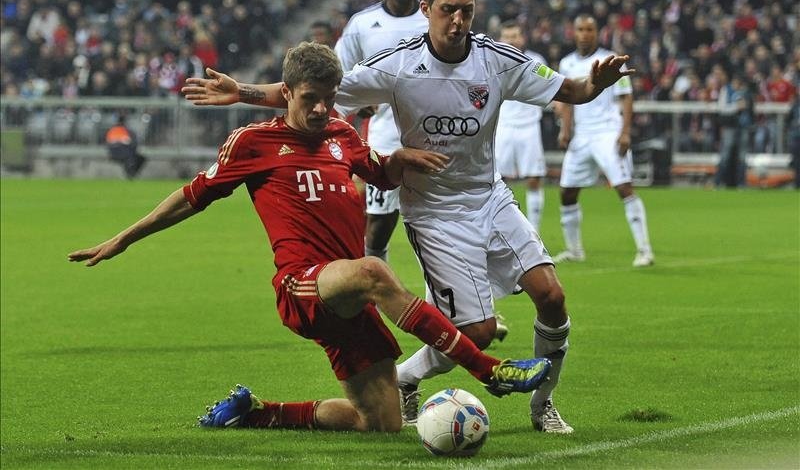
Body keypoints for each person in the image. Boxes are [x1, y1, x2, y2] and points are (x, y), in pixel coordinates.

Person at [182, 0, 635, 434]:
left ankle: (543, 405)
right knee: (476, 333)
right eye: (448, 10)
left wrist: (595, 84)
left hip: (489, 196)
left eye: (467, 10)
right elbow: (318, 92)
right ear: (427, 10)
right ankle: (405, 378)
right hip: (434, 210)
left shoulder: (498, 60)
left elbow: (574, 89)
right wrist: (244, 93)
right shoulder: (397, 64)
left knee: (553, 296)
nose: (458, 21)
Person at [69, 42, 551, 433]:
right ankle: (490, 370)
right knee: (373, 270)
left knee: (378, 425)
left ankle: (256, 412)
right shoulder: (252, 143)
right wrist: (124, 239)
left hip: (348, 300)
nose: (321, 108)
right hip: (303, 286)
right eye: (309, 99)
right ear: (288, 92)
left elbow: (379, 175)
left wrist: (399, 160)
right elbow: (189, 196)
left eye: (329, 97)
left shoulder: (343, 133)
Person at [334, 0, 428, 264]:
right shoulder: (362, 24)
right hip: (385, 139)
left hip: (432, 136)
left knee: (437, 229)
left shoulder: (433, 20)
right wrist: (357, 103)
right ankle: (372, 298)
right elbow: (337, 76)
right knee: (377, 227)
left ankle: (453, 309)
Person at [553, 14, 654, 268]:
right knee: (567, 192)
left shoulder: (611, 59)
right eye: (580, 29)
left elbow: (626, 97)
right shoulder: (567, 63)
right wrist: (566, 129)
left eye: (589, 29)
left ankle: (644, 250)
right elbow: (566, 99)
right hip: (582, 135)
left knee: (623, 187)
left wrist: (625, 132)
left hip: (608, 132)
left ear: (597, 33)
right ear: (573, 32)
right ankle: (574, 250)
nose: (585, 34)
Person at [495, 20, 548, 231]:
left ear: (522, 38)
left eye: (515, 35)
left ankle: (533, 231)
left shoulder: (536, 61)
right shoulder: (493, 61)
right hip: (503, 127)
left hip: (529, 127)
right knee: (498, 181)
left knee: (534, 179)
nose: (511, 40)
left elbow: (550, 88)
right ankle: (503, 228)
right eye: (507, 36)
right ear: (500, 39)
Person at [715, 73, 753, 188]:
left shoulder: (746, 93)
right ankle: (719, 182)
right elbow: (722, 109)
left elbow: (750, 108)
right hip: (729, 126)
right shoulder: (726, 90)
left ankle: (741, 183)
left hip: (743, 126)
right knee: (725, 155)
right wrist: (736, 107)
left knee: (742, 156)